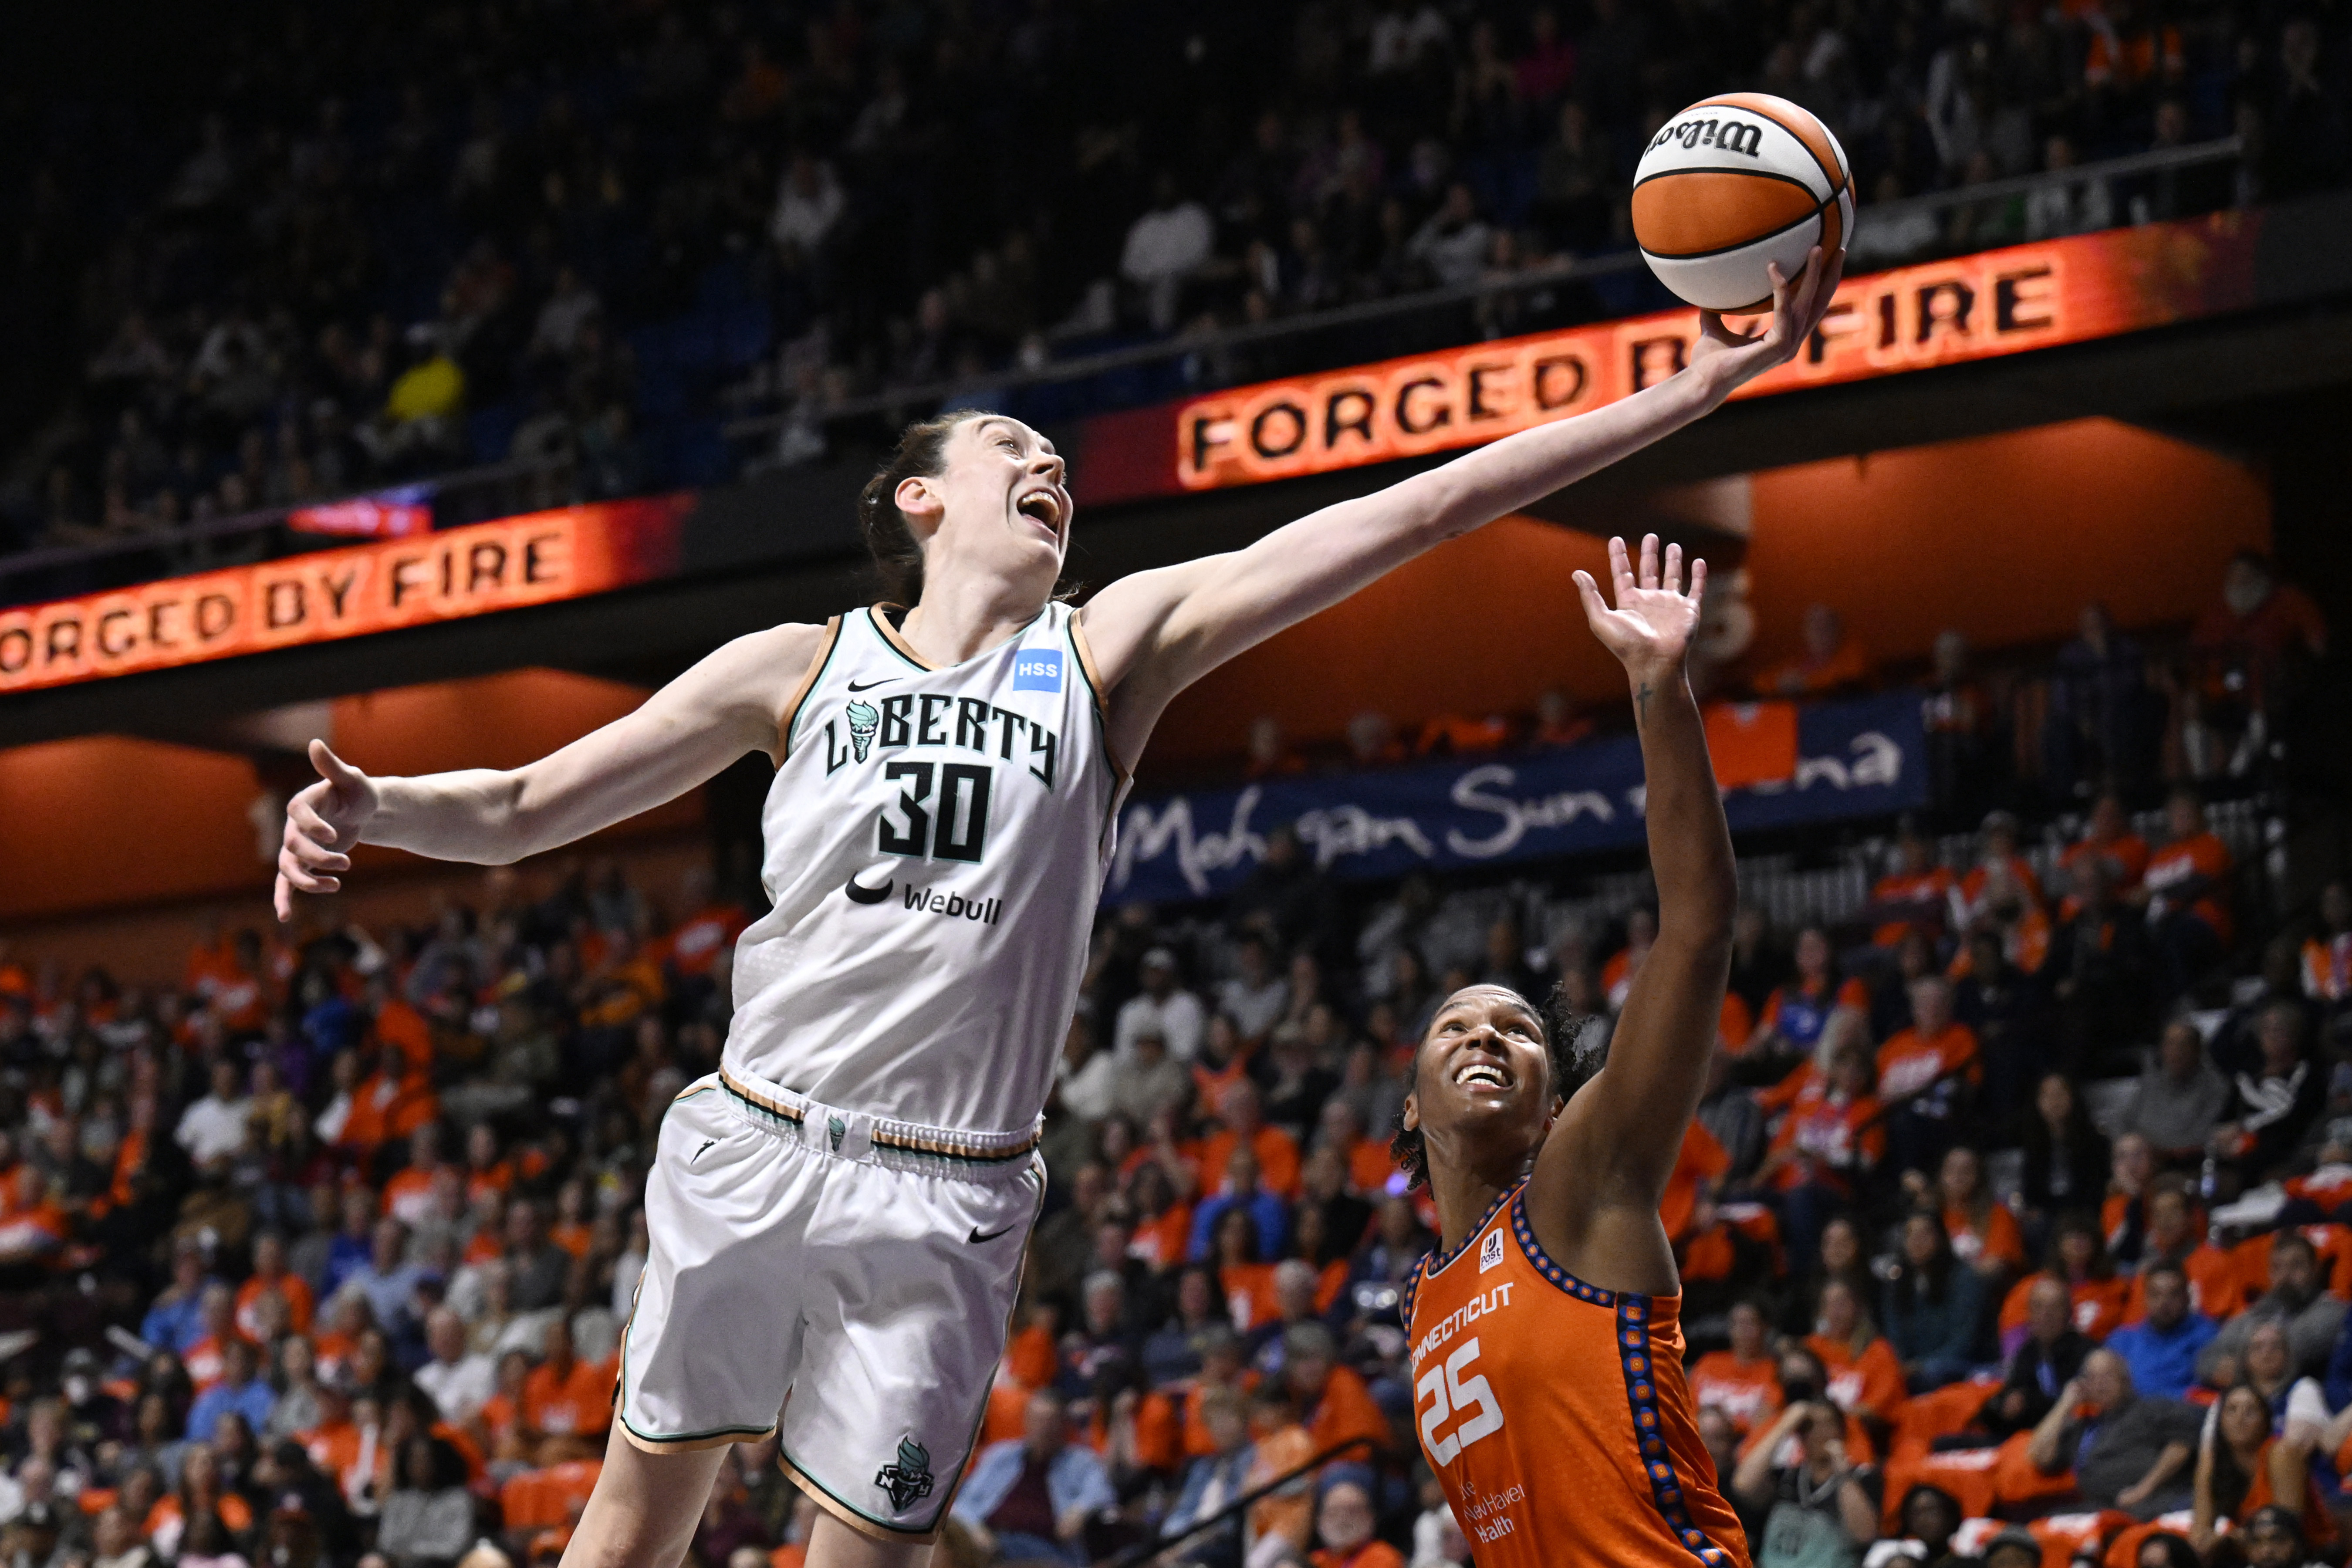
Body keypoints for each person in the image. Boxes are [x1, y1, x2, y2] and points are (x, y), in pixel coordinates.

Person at [268, 245, 1847, 1566]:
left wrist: (1694, 387)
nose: (1049, 469)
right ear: (916, 500)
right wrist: (377, 808)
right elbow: (534, 804)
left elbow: (1405, 512)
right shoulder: (794, 662)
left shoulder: (1107, 649)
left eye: (1057, 462)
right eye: (1009, 447)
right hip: (756, 1137)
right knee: (628, 1525)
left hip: (951, 1195)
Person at [1392, 528, 1777, 1568]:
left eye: (1518, 1029)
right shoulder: (1423, 1294)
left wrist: (1659, 690)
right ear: (1409, 1107)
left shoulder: (1577, 1182)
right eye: (1457, 1024)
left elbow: (1697, 922)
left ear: (1553, 1106)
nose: (1486, 1034)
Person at [2023, 1349, 2200, 1519]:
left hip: (2153, 1502)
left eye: (2107, 1376)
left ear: (2125, 1380)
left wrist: (2143, 1489)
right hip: (2101, 1509)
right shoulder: (2084, 1427)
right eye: (2092, 1378)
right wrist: (2065, 1403)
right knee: (2050, 1523)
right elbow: (2039, 1456)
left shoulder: (2152, 1409)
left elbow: (2182, 1444)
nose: (2100, 1384)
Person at [1730, 1402, 1879, 1568]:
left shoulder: (1861, 1477)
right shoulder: (1789, 1477)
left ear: (1841, 1431)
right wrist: (1787, 1423)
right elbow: (1743, 1484)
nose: (1819, 1434)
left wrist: (1842, 1473)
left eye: (1827, 1424)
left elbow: (1864, 1535)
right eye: (1809, 1426)